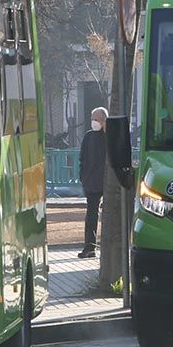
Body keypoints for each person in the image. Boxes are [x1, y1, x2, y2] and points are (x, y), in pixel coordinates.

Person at [78, 107, 108, 259]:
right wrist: (83, 177)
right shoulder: (88, 137)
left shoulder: (109, 136)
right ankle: (89, 247)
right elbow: (82, 158)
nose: (94, 122)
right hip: (91, 182)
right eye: (92, 118)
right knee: (91, 216)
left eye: (96, 119)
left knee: (110, 216)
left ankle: (108, 248)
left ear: (104, 120)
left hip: (108, 182)